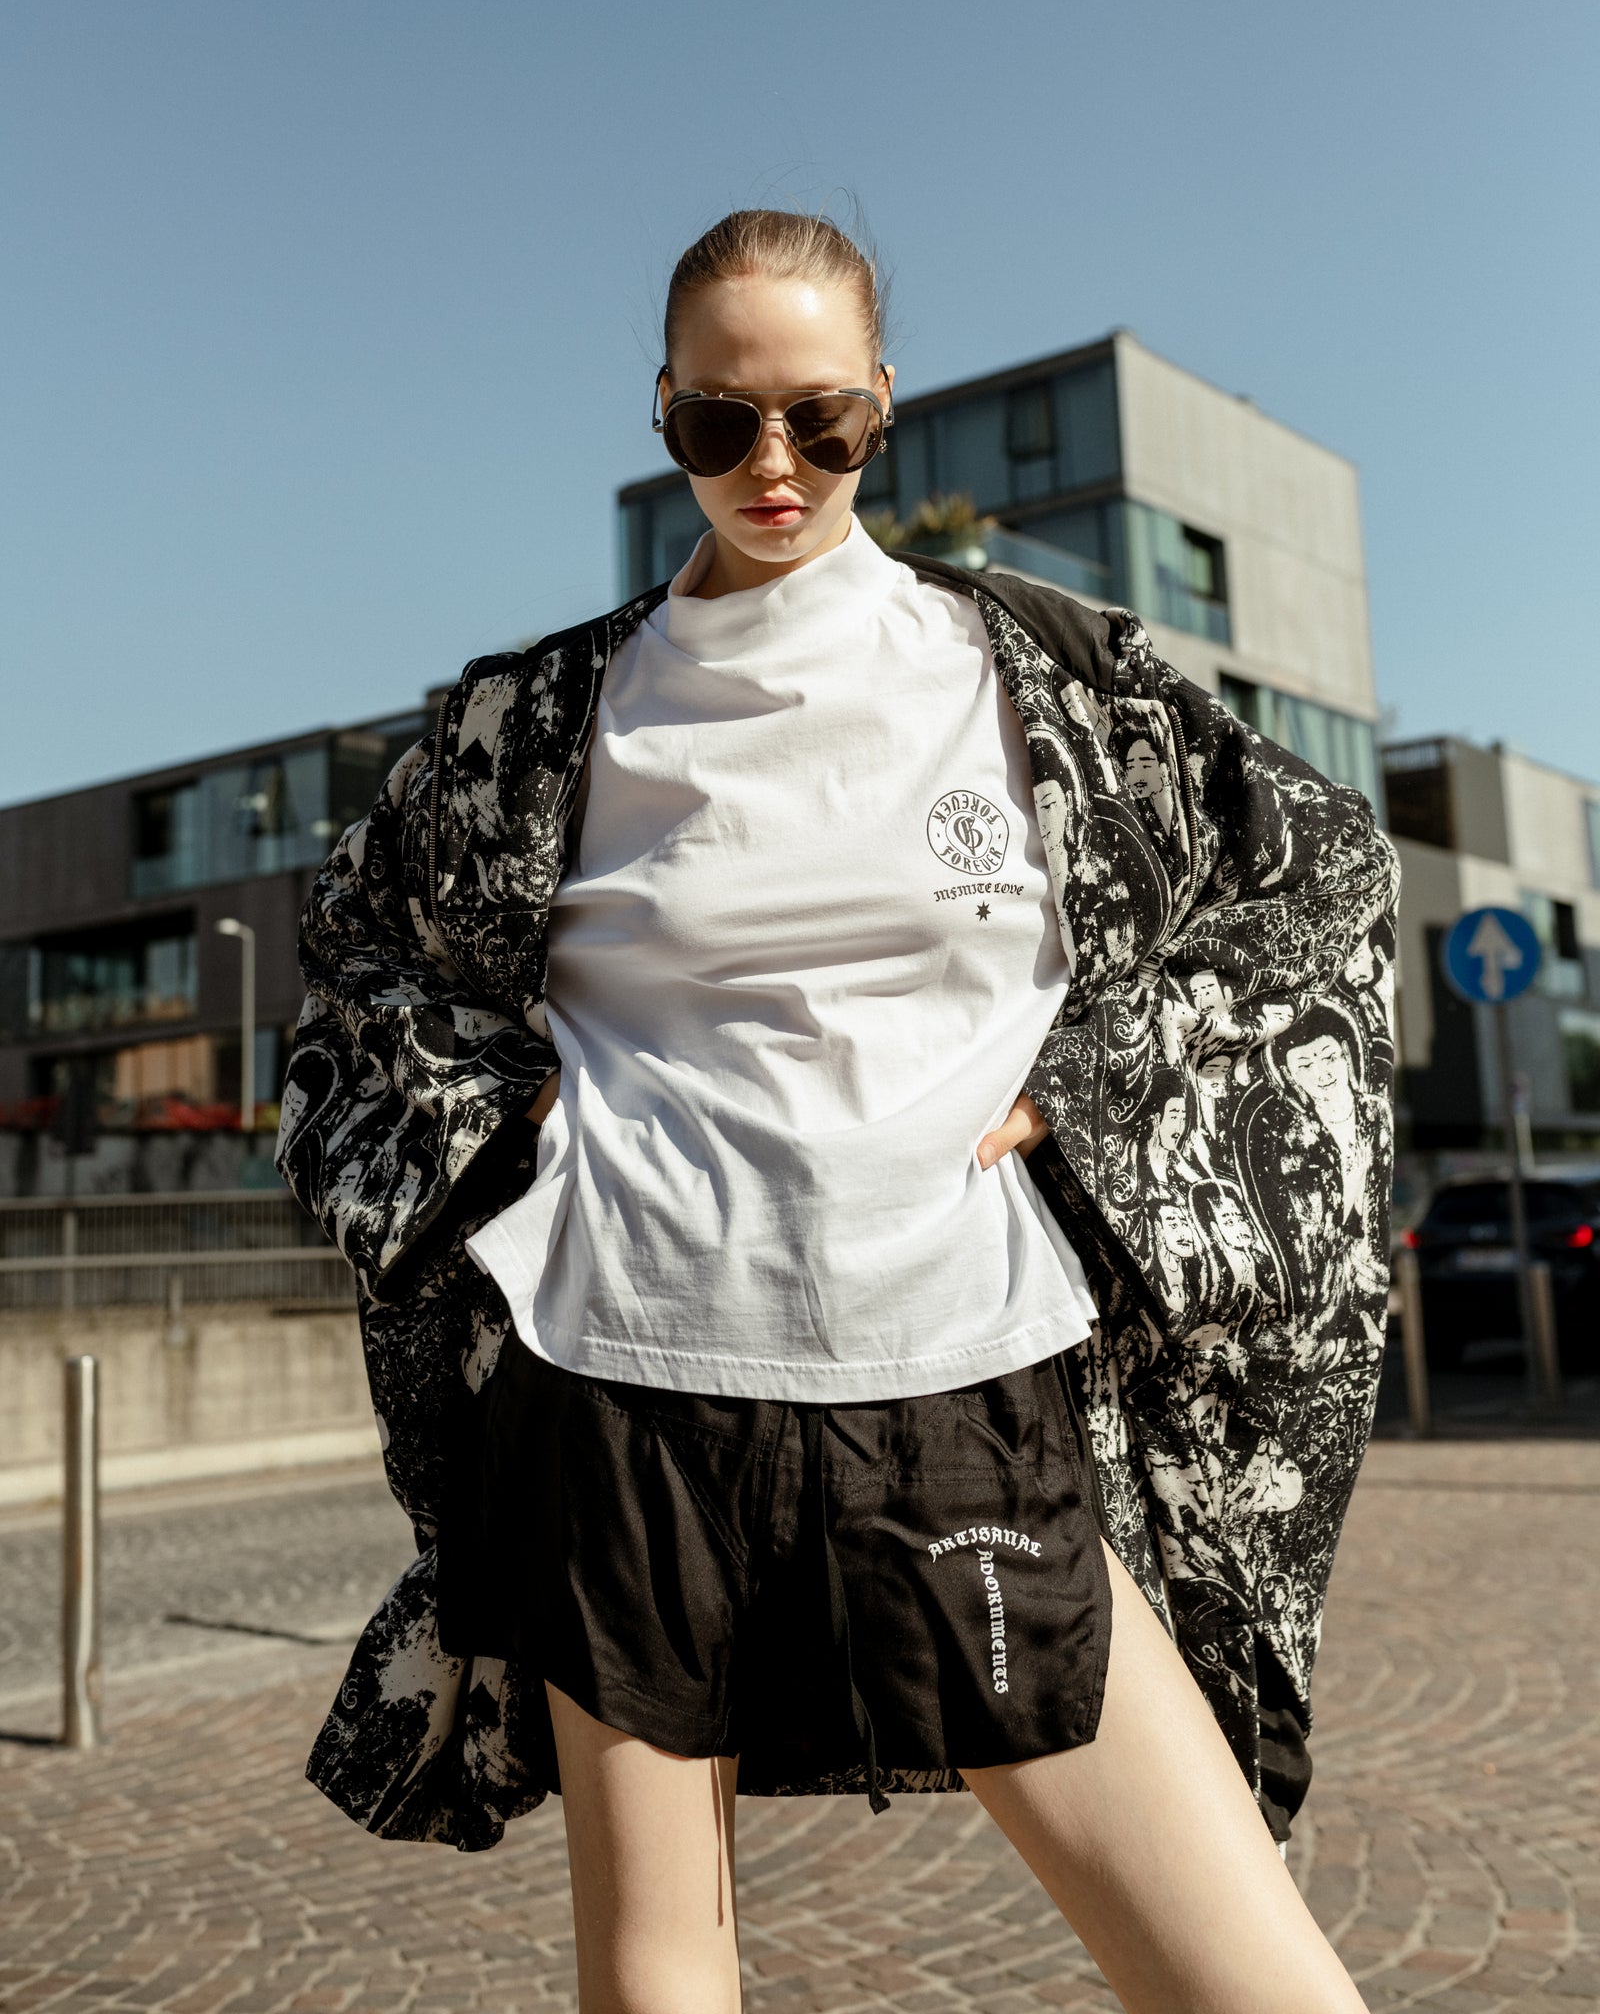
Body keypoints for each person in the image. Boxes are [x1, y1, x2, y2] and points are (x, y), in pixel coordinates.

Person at [278, 210, 1398, 2014]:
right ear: (661, 412)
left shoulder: (1048, 684)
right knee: (662, 1977)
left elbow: (1321, 881)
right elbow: (355, 960)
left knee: (1249, 1976)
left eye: (822, 420)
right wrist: (512, 1146)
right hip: (627, 1384)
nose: (772, 468)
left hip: (964, 1366)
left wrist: (1106, 1095)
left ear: (887, 404)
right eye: (719, 424)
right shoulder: (540, 722)